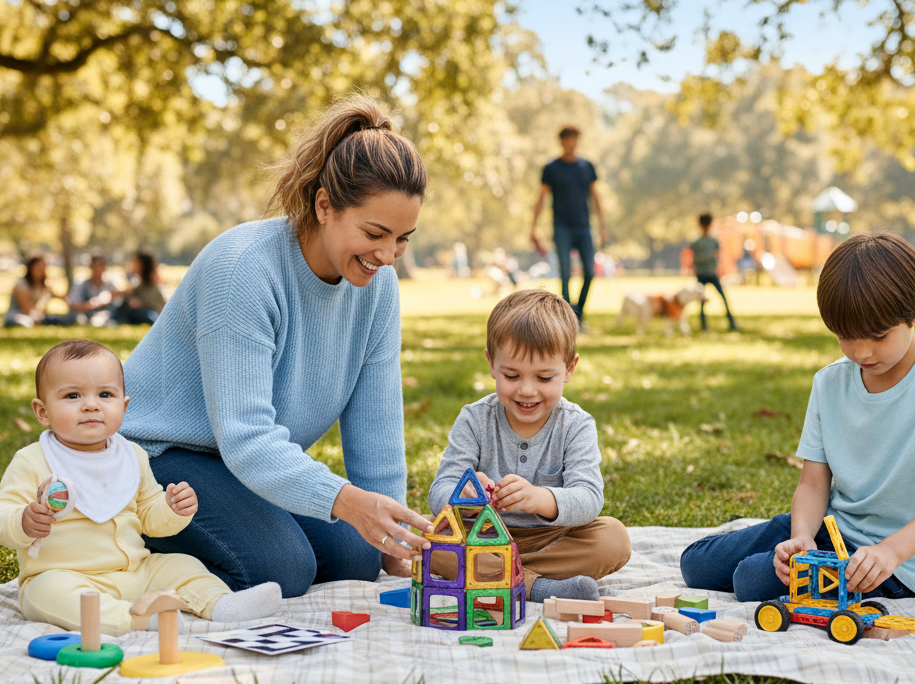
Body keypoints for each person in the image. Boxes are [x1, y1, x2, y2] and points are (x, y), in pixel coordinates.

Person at [119, 94, 435, 599]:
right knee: (281, 568)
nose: (387, 255)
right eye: (375, 233)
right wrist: (348, 502)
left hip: (235, 463)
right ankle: (123, 553)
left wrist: (391, 536)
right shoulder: (244, 269)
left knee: (358, 557)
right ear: (325, 204)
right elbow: (246, 436)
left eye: (402, 238)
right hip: (158, 457)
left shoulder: (378, 288)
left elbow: (376, 429)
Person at [680, 232, 915, 602]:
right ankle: (784, 545)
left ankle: (771, 558)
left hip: (893, 563)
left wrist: (890, 552)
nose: (862, 351)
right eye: (845, 336)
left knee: (750, 580)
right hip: (829, 529)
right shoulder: (829, 382)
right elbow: (812, 483)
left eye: (878, 335)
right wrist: (801, 536)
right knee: (694, 565)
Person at [0, 339, 282, 636]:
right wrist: (22, 519)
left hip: (137, 572)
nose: (91, 405)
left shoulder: (132, 456)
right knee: (44, 594)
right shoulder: (33, 460)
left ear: (123, 406)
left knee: (182, 565)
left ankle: (221, 605)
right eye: (73, 395)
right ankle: (135, 619)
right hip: (67, 575)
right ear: (42, 411)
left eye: (105, 394)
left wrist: (171, 509)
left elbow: (149, 517)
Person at [427, 289, 631, 602]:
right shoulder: (474, 419)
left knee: (614, 538)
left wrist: (538, 498)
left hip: (552, 540)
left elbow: (589, 499)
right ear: (492, 365)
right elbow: (439, 491)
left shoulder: (576, 424)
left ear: (569, 369)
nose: (526, 390)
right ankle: (537, 586)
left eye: (545, 378)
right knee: (427, 536)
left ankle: (500, 576)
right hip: (482, 536)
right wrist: (462, 495)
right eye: (511, 375)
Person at [529, 126, 606, 327]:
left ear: (577, 141)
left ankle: (578, 313)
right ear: (561, 142)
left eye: (574, 140)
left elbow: (595, 198)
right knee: (565, 274)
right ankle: (568, 320)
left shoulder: (586, 167)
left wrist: (602, 226)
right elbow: (541, 199)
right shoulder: (552, 168)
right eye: (567, 140)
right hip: (561, 227)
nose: (571, 144)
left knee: (589, 272)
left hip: (583, 227)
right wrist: (533, 228)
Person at [689, 213, 738, 332]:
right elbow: (695, 259)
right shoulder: (697, 242)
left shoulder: (713, 241)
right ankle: (703, 326)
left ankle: (732, 323)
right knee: (702, 302)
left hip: (712, 274)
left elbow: (716, 256)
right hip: (701, 274)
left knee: (724, 299)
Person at [3, 256, 69, 328]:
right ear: (31, 268)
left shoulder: (44, 284)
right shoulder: (21, 284)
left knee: (58, 319)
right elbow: (28, 309)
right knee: (28, 321)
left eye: (43, 266)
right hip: (17, 315)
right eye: (38, 267)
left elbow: (59, 296)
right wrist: (41, 317)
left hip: (34, 317)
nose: (42, 270)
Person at [67, 253, 123, 326]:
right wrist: (96, 302)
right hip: (84, 315)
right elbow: (74, 305)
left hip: (104, 315)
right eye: (95, 266)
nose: (97, 269)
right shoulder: (81, 284)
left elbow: (117, 305)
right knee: (79, 319)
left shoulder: (110, 285)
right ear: (90, 267)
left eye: (100, 265)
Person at [116, 250, 166, 325]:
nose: (132, 264)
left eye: (135, 262)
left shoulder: (152, 285)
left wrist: (141, 303)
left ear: (142, 265)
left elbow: (156, 305)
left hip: (153, 315)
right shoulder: (137, 282)